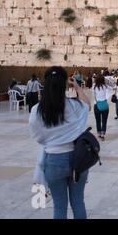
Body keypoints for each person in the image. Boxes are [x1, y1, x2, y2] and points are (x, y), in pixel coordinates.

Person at [29, 66, 91, 219]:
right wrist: (76, 86)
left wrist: (52, 140)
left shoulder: (37, 110)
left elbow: (38, 137)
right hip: (78, 158)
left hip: (54, 160)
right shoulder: (74, 105)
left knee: (59, 206)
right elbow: (88, 104)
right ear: (65, 84)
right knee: (78, 202)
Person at [93, 74, 111, 140]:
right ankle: (103, 134)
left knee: (98, 120)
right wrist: (105, 99)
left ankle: (99, 133)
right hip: (104, 105)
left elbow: (93, 95)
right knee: (104, 120)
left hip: (97, 105)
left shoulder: (94, 87)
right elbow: (110, 90)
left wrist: (97, 101)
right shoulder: (105, 86)